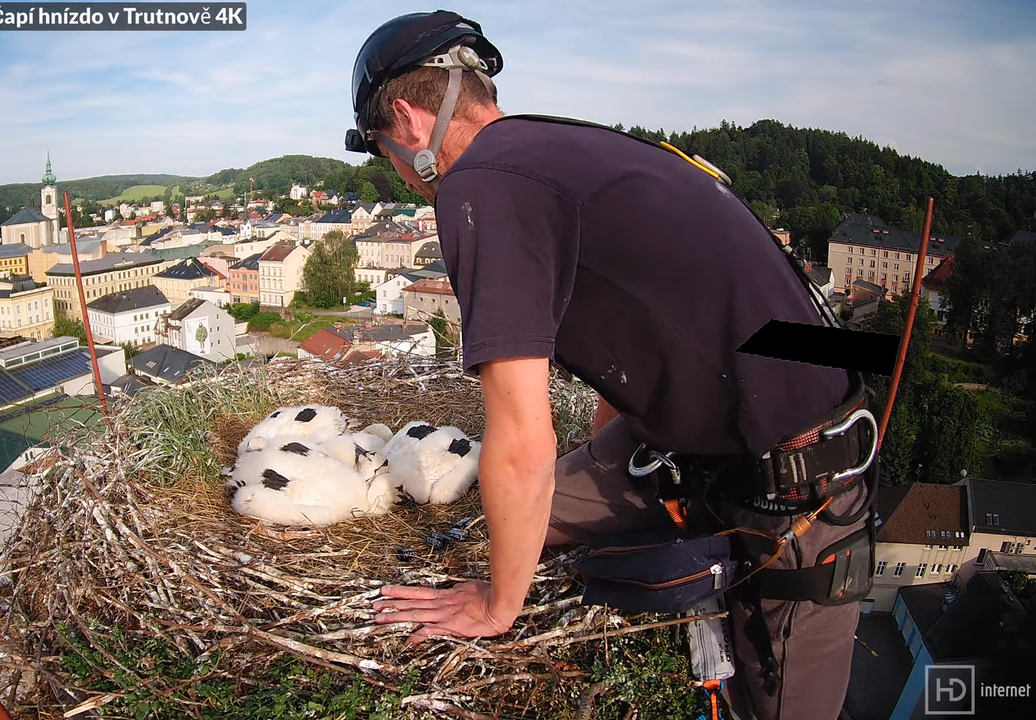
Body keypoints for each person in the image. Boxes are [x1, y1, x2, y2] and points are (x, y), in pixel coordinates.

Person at [349, 11, 879, 720]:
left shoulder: (478, 186)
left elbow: (520, 430)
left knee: (780, 708)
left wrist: (497, 604)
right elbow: (640, 327)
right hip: (694, 437)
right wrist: (600, 454)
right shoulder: (562, 145)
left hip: (798, 480)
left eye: (383, 149)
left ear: (410, 123)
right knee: (505, 519)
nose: (397, 172)